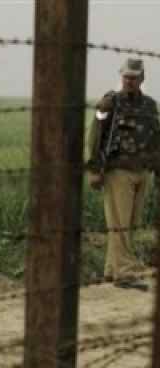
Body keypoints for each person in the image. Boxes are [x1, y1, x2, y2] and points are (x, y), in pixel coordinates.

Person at [86, 58, 160, 291]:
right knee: (120, 224)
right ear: (122, 77)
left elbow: (155, 138)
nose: (129, 81)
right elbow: (95, 135)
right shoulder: (110, 102)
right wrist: (95, 169)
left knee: (131, 223)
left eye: (134, 77)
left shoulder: (150, 105)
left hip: (142, 171)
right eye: (126, 76)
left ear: (142, 78)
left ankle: (111, 269)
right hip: (118, 171)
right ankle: (125, 273)